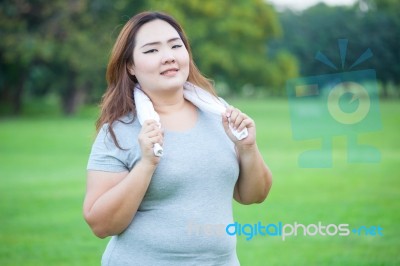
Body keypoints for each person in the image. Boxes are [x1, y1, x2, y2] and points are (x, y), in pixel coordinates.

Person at [83, 11, 272, 266]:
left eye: (175, 45)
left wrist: (248, 148)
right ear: (130, 66)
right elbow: (101, 224)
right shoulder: (119, 130)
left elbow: (253, 196)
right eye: (151, 51)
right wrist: (147, 164)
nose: (169, 56)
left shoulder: (218, 112)